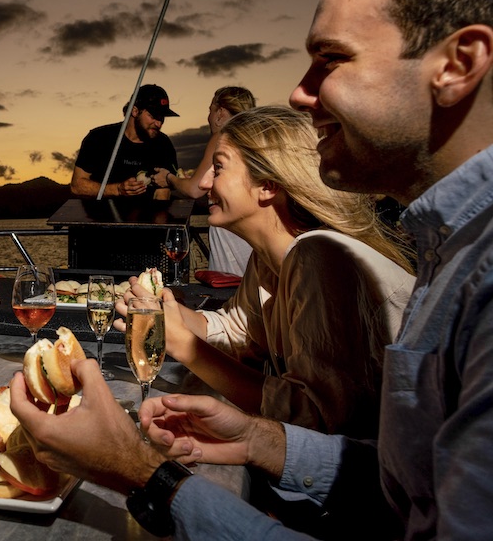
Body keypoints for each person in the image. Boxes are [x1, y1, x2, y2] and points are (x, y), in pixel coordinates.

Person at [10, 0, 493, 538]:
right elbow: (411, 486)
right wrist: (259, 439)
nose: (298, 90)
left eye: (332, 58)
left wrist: (140, 471)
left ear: (459, 63)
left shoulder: (338, 258)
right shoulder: (448, 251)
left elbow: (334, 425)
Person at [133, 105, 414, 438]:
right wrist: (165, 315)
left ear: (267, 185)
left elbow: (320, 416)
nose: (205, 181)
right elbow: (239, 332)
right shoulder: (268, 258)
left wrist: (186, 347)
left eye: (218, 168)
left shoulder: (320, 256)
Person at [158, 86, 256, 276]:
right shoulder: (251, 138)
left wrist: (169, 178)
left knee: (228, 290)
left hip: (231, 232)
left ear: (220, 112)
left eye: (210, 110)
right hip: (249, 233)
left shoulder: (223, 136)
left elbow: (195, 189)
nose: (209, 117)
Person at [70, 84, 179, 200]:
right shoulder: (98, 138)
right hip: (100, 216)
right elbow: (76, 186)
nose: (159, 124)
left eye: (162, 117)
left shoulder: (163, 145)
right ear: (135, 111)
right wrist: (117, 189)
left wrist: (156, 217)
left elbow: (163, 192)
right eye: (153, 116)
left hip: (146, 217)